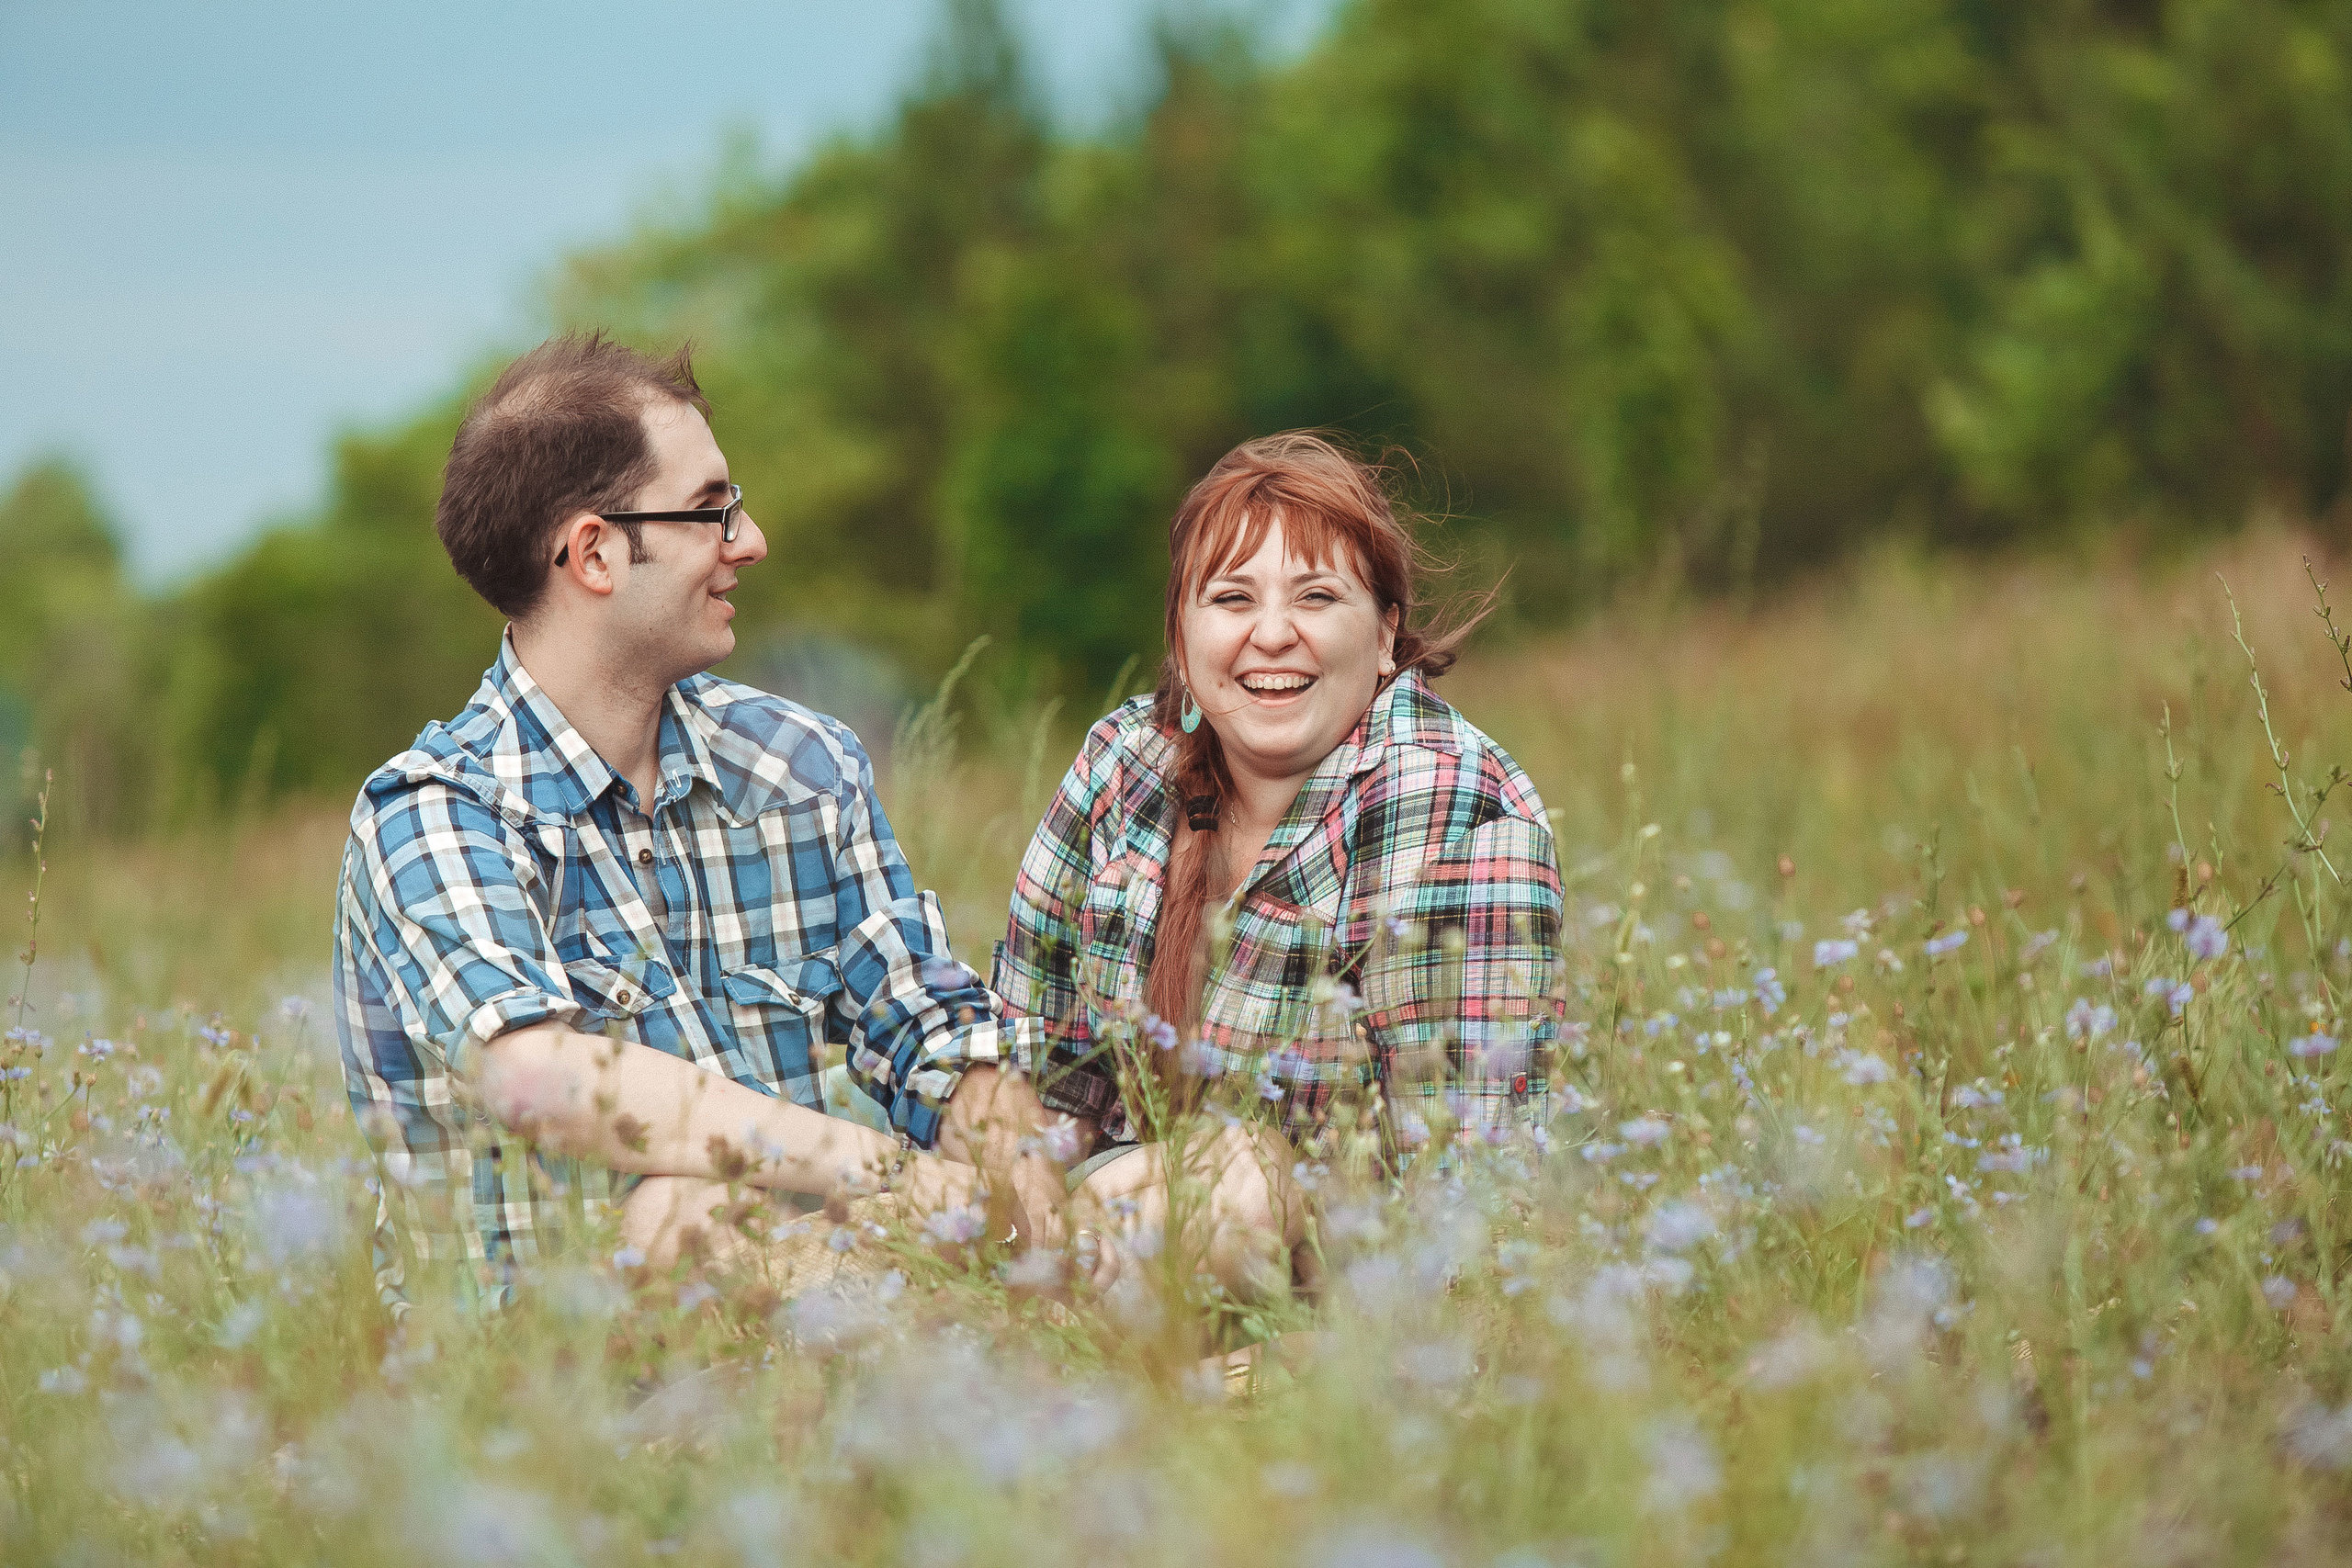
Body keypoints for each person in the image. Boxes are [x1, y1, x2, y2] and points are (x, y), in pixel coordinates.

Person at [334, 333, 1067, 1310]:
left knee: (1177, 1189)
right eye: (713, 510)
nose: (749, 540)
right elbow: (536, 1079)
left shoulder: (799, 765)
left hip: (823, 1304)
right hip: (550, 1397)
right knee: (686, 1217)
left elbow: (926, 1024)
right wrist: (886, 1174)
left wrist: (1018, 1183)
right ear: (594, 553)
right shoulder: (434, 813)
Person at [995, 433, 1565, 1299]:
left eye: (1316, 596)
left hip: (1338, 1287)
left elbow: (1471, 1199)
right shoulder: (1121, 767)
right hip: (1097, 1226)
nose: (1271, 634)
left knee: (1246, 1172)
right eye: (1231, 598)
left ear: (1384, 638)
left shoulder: (1456, 809)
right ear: (1182, 641)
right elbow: (1031, 1071)